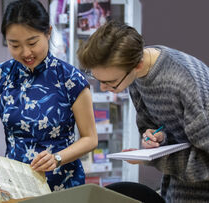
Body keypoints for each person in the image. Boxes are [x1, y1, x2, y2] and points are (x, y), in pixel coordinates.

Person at [77, 20, 209, 202]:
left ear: (137, 65)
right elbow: (154, 126)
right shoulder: (136, 74)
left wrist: (152, 159)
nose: (103, 87)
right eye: (97, 78)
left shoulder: (183, 82)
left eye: (110, 82)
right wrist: (157, 137)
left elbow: (205, 161)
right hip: (176, 189)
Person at [0, 0, 98, 191]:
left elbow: (90, 138)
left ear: (48, 32)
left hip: (64, 183)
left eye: (32, 42)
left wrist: (58, 158)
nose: (26, 52)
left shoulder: (70, 78)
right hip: (17, 185)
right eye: (15, 45)